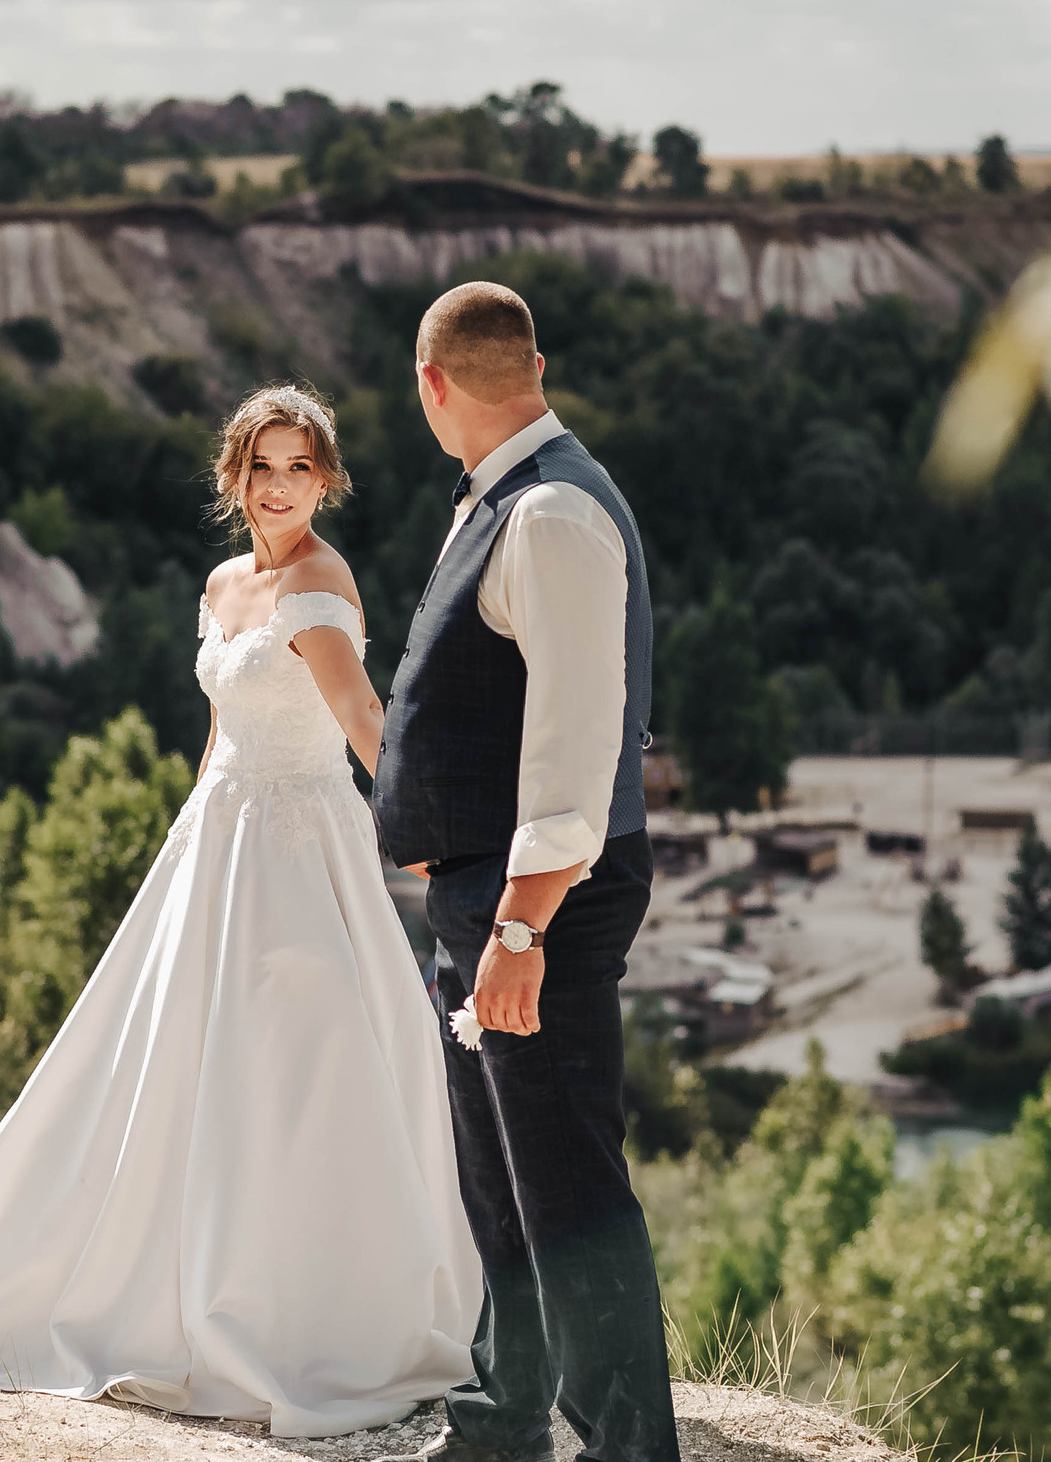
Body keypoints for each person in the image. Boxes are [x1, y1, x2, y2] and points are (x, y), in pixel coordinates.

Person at [0, 385, 479, 1438]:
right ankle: (162, 1280)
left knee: (298, 1068)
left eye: (300, 467)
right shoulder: (219, 584)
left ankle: (298, 1310)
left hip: (302, 852)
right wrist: (184, 836)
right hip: (216, 840)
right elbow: (218, 726)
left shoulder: (322, 582)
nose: (279, 487)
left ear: (326, 479)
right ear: (234, 475)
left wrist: (432, 835)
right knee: (179, 1061)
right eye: (263, 465)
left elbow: (362, 719)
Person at [373, 281, 679, 1462]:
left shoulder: (548, 514)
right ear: (534, 365)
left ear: (433, 386)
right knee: (499, 1174)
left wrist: (520, 930)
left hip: (536, 904)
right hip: (489, 899)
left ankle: (626, 1448)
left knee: (566, 1186)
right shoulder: (508, 499)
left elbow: (573, 739)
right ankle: (503, 1421)